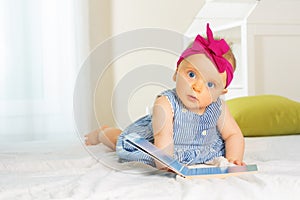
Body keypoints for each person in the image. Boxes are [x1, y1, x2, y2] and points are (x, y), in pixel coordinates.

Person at [85, 23, 245, 169]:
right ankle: (102, 133)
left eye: (210, 85)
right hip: (156, 144)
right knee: (120, 141)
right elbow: (163, 136)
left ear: (221, 93)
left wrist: (233, 159)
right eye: (191, 74)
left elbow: (233, 134)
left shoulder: (219, 108)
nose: (197, 87)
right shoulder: (166, 103)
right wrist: (166, 162)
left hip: (201, 149)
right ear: (176, 73)